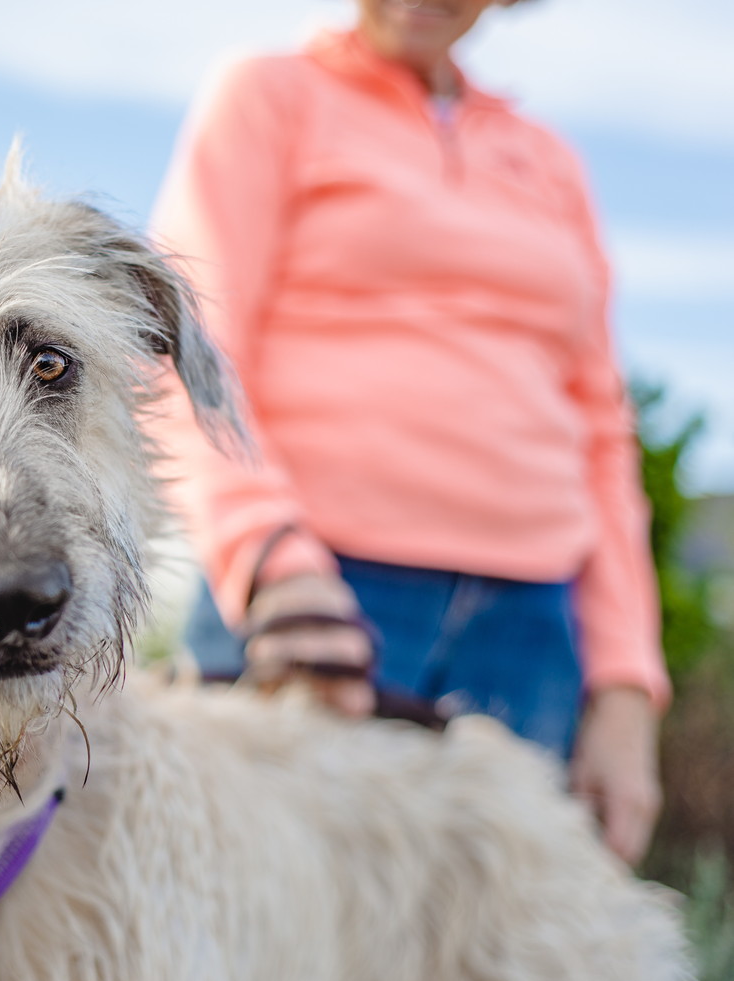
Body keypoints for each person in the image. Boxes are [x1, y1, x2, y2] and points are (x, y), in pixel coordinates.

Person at [152, 0, 666, 864]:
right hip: (320, 601)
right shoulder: (267, 96)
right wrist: (269, 558)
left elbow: (602, 433)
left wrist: (624, 686)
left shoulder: (551, 162)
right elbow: (189, 356)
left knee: (497, 931)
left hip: (532, 627)